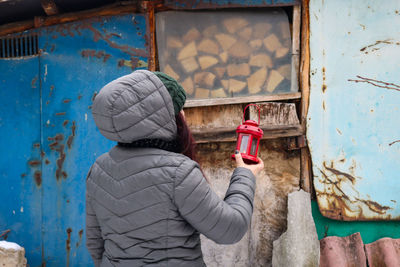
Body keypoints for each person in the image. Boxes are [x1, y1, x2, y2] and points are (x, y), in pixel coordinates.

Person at [86, 70, 264, 266]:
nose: (184, 114)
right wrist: (245, 175)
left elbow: (95, 243)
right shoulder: (178, 172)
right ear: (164, 118)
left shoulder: (98, 169)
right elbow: (230, 229)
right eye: (180, 108)